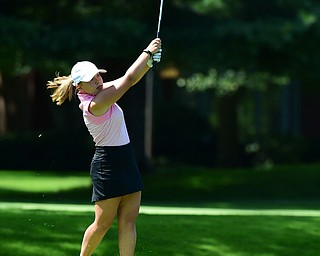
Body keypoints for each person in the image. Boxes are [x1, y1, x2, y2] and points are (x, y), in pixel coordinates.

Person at [47, 38, 162, 256]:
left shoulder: (98, 91)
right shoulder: (94, 104)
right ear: (80, 86)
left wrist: (148, 63)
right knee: (103, 223)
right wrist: (147, 52)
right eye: (92, 79)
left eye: (98, 75)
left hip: (126, 159)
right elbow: (128, 80)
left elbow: (128, 78)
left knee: (129, 220)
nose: (99, 80)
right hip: (107, 164)